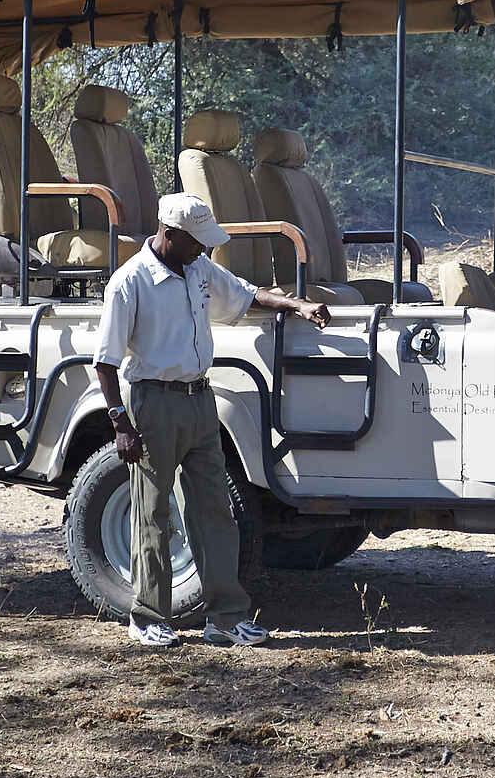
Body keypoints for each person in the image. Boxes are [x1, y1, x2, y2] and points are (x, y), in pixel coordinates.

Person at [92, 193, 330, 647]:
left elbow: (245, 294)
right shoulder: (130, 282)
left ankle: (225, 618)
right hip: (153, 403)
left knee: (215, 511)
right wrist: (120, 423)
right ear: (170, 234)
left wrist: (296, 305)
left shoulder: (198, 269)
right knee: (152, 512)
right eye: (198, 241)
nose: (206, 249)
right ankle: (147, 617)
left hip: (201, 400)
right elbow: (105, 361)